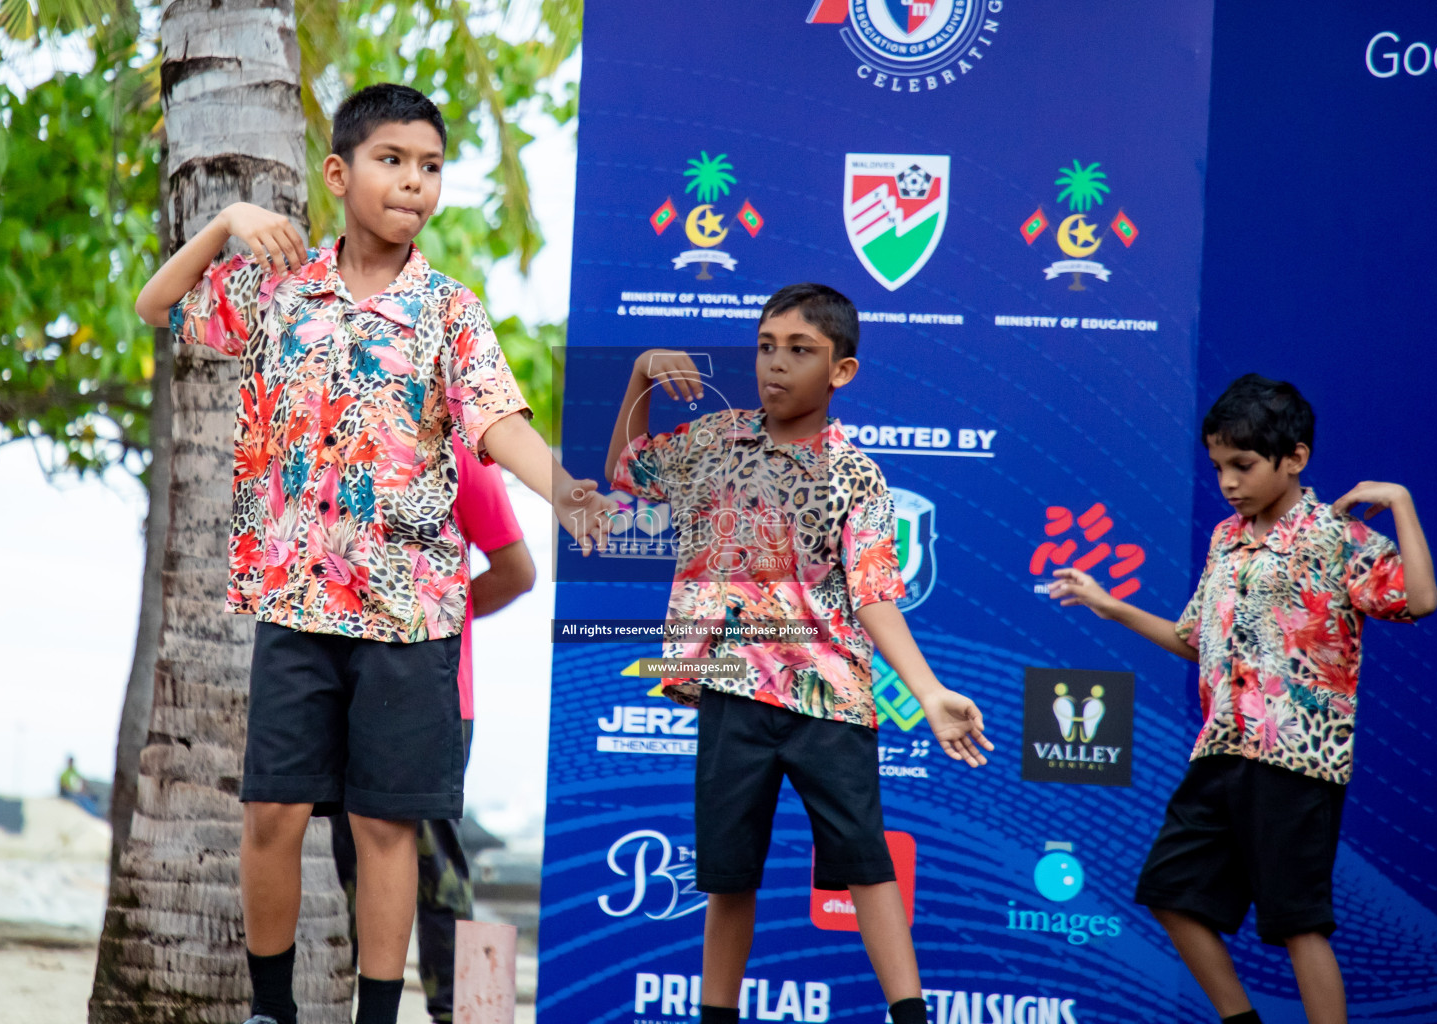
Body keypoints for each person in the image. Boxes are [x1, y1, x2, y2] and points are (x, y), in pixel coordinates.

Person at [134, 83, 613, 1024]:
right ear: (340, 174)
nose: (414, 183)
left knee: (384, 825)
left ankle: (379, 1017)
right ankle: (272, 1010)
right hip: (295, 604)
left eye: (431, 168)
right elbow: (159, 305)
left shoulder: (450, 311)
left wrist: (558, 485)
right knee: (271, 815)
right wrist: (229, 219)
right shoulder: (279, 289)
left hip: (409, 617)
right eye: (392, 161)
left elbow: (496, 419)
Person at [602, 283, 993, 1024]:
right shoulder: (713, 440)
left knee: (867, 866)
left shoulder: (857, 475)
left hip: (828, 697)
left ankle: (910, 1015)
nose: (775, 365)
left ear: (841, 372)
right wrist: (644, 372)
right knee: (728, 875)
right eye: (766, 347)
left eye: (800, 351)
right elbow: (627, 469)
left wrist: (930, 690)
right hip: (728, 690)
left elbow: (876, 594)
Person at [1049, 373, 1437, 1024]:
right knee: (1170, 891)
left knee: (1297, 923)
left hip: (1296, 761)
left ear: (1296, 459)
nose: (1228, 482)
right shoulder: (1227, 538)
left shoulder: (1334, 536)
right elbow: (1192, 639)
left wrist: (1399, 501)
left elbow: (1419, 600)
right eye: (1219, 466)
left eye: (1244, 465)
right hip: (1221, 749)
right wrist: (1108, 604)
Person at [329, 440, 534, 1023]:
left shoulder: (462, 453)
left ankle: (458, 1013)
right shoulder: (337, 435)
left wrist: (439, 616)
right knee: (352, 860)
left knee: (437, 865)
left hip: (439, 695)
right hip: (345, 694)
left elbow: (518, 572)